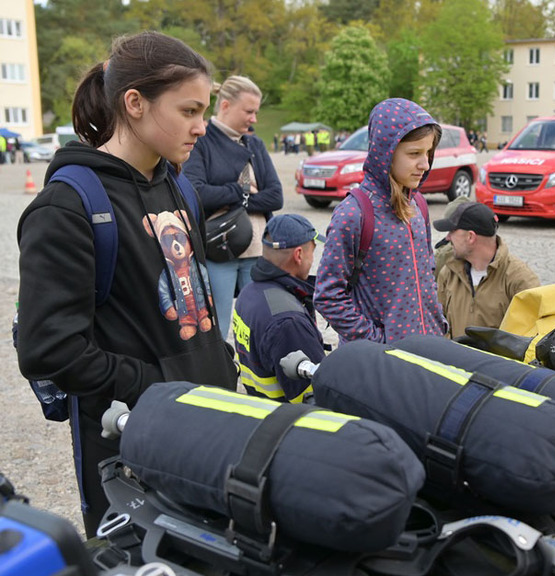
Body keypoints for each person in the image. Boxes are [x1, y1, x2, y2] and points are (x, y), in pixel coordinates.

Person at [16, 32, 237, 537]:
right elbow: (49, 351)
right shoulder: (67, 207)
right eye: (189, 111)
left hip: (210, 428)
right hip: (131, 456)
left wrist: (220, 366)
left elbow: (191, 303)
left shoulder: (180, 187)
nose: (202, 127)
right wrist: (158, 388)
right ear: (134, 103)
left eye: (204, 111)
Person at [314, 98, 447, 343]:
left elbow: (427, 271)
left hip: (428, 348)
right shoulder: (354, 213)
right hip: (381, 362)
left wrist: (437, 321)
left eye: (428, 152)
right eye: (414, 153)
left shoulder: (419, 205)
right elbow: (327, 296)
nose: (425, 163)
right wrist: (376, 340)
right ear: (385, 153)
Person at [184, 75, 283, 340]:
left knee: (258, 326)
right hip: (219, 250)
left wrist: (235, 198)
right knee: (217, 328)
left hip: (257, 250)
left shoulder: (255, 143)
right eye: (249, 111)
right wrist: (241, 191)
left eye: (256, 112)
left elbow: (275, 197)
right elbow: (196, 193)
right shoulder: (201, 142)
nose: (254, 119)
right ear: (225, 105)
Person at [233, 214, 326, 404]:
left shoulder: (249, 293)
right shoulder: (288, 322)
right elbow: (315, 397)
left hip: (262, 409)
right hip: (289, 422)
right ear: (298, 255)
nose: (312, 259)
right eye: (312, 252)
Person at [433, 202, 539, 339]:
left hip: (496, 360)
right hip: (455, 359)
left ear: (470, 237)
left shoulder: (520, 279)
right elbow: (439, 325)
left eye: (452, 231)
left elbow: (534, 336)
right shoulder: (448, 273)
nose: (447, 238)